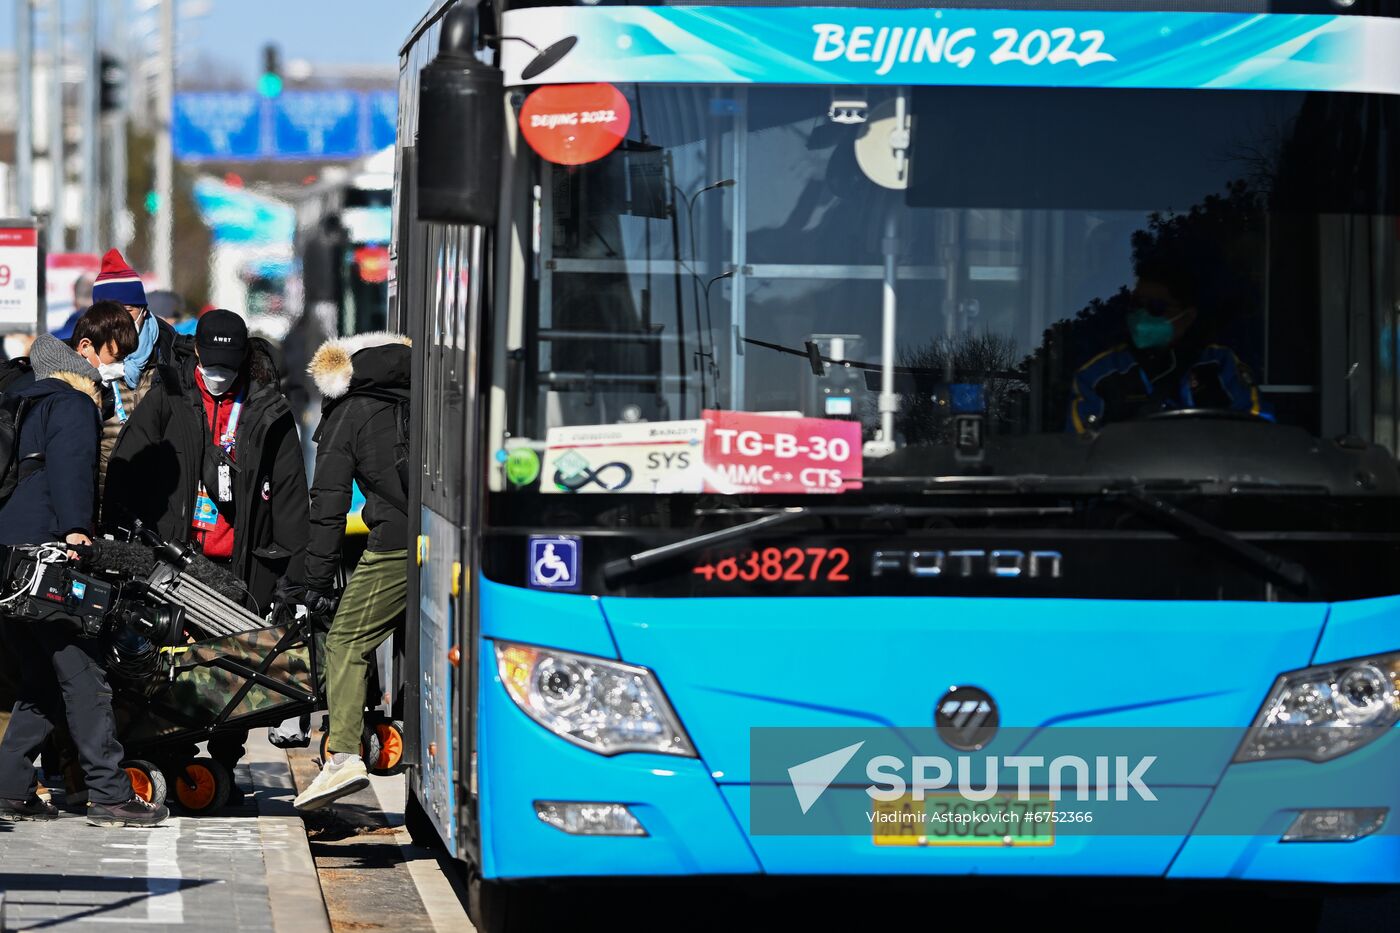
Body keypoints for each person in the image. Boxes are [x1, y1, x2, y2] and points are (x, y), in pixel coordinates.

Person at [105, 310, 310, 798]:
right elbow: (126, 467)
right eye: (211, 362)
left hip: (239, 566)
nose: (218, 373)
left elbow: (290, 498)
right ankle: (165, 754)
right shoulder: (169, 396)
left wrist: (296, 579)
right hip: (173, 561)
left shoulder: (266, 407)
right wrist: (117, 537)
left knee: (231, 671)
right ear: (197, 353)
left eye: (228, 364)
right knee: (165, 663)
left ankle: (223, 760)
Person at [0, 335, 168, 827]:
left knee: (40, 678)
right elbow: (73, 471)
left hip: (7, 557)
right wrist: (77, 530)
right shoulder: (71, 403)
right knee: (85, 676)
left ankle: (9, 786)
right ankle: (111, 793)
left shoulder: (19, 403)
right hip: (45, 555)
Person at [294, 332, 411, 811]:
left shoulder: (349, 412)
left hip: (395, 546)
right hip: (446, 538)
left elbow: (328, 506)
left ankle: (342, 755)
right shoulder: (421, 393)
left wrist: (314, 583)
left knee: (346, 641)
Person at [1067, 273, 1265, 434]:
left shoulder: (1221, 364)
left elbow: (1260, 429)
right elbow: (1078, 450)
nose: (1142, 315)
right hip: (1124, 480)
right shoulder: (1097, 374)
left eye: (1156, 308)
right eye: (1137, 305)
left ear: (1188, 316)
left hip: (1214, 478)